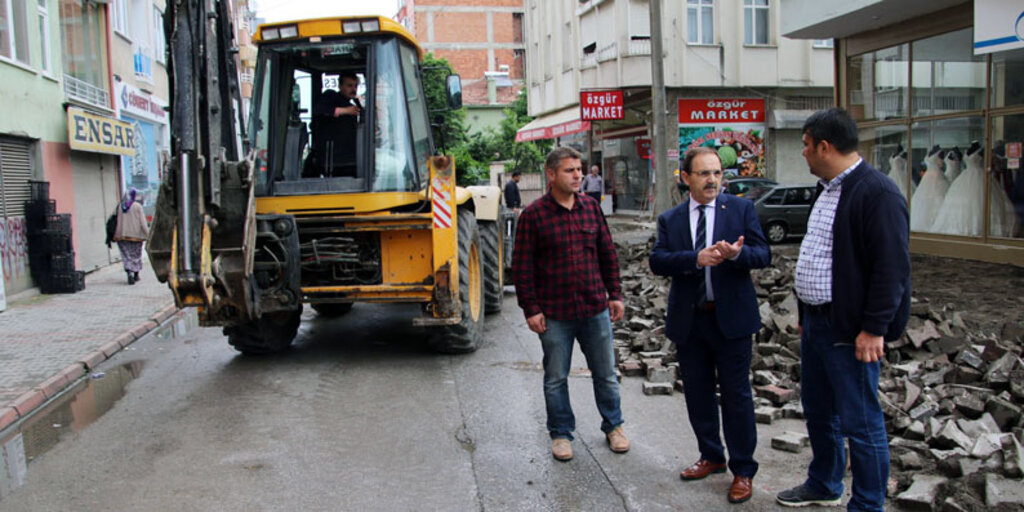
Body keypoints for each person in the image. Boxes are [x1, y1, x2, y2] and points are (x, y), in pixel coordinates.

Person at [776, 108, 910, 511]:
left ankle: (868, 504)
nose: (802, 152)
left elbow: (892, 269)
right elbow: (820, 256)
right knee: (819, 411)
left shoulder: (878, 193)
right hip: (817, 324)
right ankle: (824, 482)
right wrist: (805, 314)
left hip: (851, 329)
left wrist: (873, 328)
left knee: (861, 422)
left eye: (804, 144)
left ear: (824, 146)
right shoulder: (828, 188)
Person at [649, 147, 770, 505]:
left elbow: (763, 254)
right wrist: (694, 259)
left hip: (732, 320)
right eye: (703, 174)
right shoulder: (670, 219)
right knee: (698, 395)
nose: (712, 180)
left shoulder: (741, 210)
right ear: (686, 178)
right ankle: (711, 455)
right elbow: (657, 261)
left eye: (717, 173)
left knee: (737, 397)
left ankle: (743, 470)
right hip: (691, 320)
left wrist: (737, 255)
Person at [512, 146, 628, 462]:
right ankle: (561, 433)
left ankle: (614, 426)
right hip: (554, 314)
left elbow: (607, 254)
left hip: (594, 309)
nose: (578, 175)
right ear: (551, 174)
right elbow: (522, 267)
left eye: (579, 169)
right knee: (556, 377)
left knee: (605, 373)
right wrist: (531, 308)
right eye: (570, 170)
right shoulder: (534, 216)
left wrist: (614, 293)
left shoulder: (591, 208)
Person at [307, 72, 362, 178]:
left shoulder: (352, 105)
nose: (353, 89)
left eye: (355, 86)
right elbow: (319, 110)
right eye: (349, 85)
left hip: (350, 159)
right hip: (333, 161)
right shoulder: (331, 96)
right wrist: (344, 111)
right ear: (340, 86)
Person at [113, 188, 150, 285]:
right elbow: (142, 222)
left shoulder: (120, 206)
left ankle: (129, 273)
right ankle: (136, 274)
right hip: (136, 236)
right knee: (136, 255)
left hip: (122, 236)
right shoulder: (138, 206)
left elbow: (115, 220)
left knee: (126, 256)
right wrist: (148, 234)